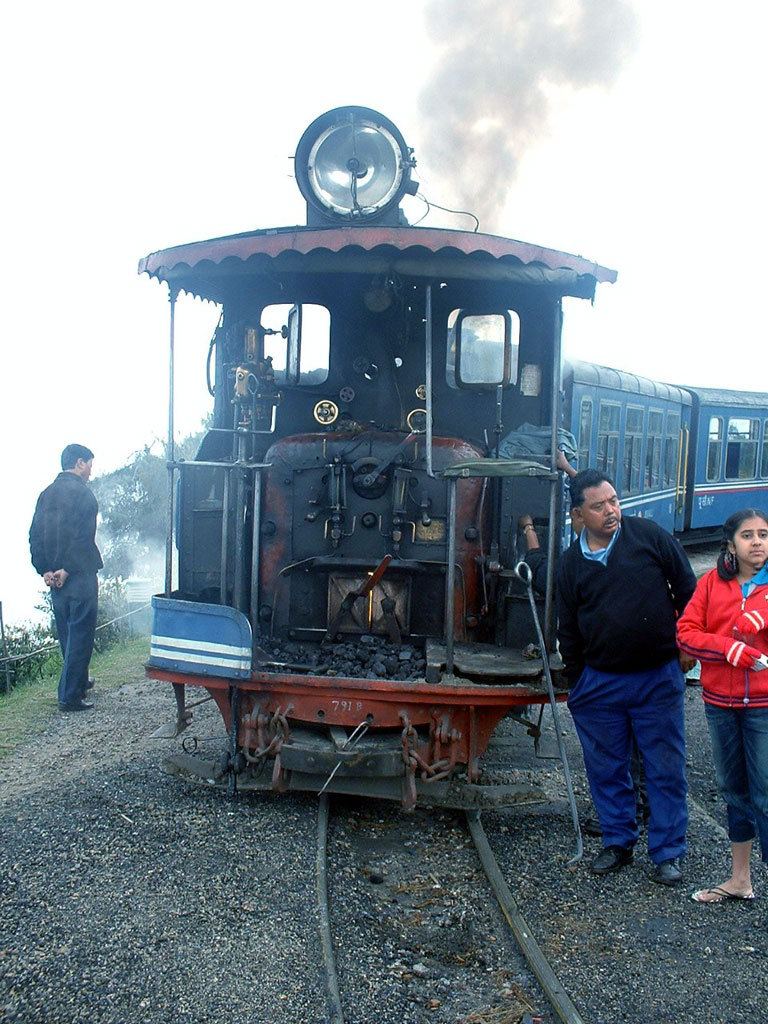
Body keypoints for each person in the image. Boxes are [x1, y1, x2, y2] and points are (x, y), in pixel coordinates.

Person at [556, 469, 696, 884]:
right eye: (599, 506)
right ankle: (618, 843)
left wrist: (687, 644)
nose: (611, 511)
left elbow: (689, 589)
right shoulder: (571, 564)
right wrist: (579, 682)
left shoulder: (649, 537)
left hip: (657, 678)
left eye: (614, 501)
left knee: (665, 768)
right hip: (601, 684)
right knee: (607, 769)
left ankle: (668, 853)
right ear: (578, 514)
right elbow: (568, 628)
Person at [677, 508, 768, 903]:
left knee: (766, 795)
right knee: (733, 791)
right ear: (731, 544)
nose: (757, 542)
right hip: (720, 704)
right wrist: (727, 648)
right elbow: (685, 633)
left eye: (763, 534)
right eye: (748, 535)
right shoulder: (711, 583)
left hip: (763, 706)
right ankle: (740, 880)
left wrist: (762, 617)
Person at [29, 444, 102, 712]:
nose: (91, 471)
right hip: (78, 576)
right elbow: (83, 539)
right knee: (81, 634)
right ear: (79, 463)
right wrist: (68, 569)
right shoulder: (84, 495)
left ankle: (79, 682)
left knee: (67, 634)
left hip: (55, 580)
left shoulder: (46, 494)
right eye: (90, 464)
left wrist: (45, 570)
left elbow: (34, 536)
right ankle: (70, 696)